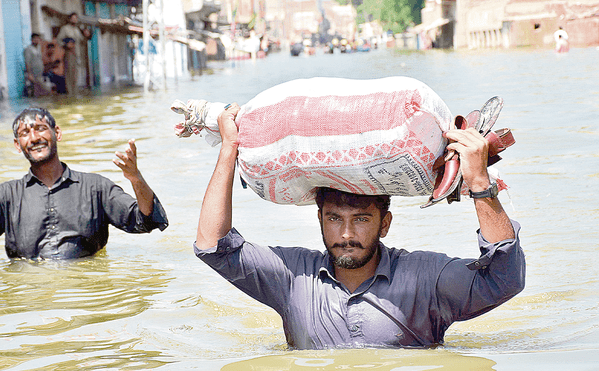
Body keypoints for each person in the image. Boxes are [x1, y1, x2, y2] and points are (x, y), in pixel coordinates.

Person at [193, 103, 526, 349]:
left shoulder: (425, 279)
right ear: (319, 219)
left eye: (362, 219)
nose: (346, 234)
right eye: (334, 219)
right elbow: (212, 245)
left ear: (385, 224)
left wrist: (480, 183)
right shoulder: (291, 278)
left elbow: (504, 279)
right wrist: (228, 149)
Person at [0, 108, 168, 261]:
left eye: (41, 129)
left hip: (86, 292)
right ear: (17, 145)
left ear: (57, 133)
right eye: (24, 134)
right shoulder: (6, 195)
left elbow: (145, 219)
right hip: (28, 297)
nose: (34, 138)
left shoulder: (95, 188)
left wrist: (135, 178)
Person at [56, 13, 92, 91]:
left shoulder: (77, 30)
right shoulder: (65, 28)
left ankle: (74, 92)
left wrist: (87, 35)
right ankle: (70, 93)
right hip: (69, 53)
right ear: (69, 19)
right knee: (69, 74)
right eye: (73, 18)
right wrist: (66, 45)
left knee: (76, 74)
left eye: (76, 18)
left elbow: (82, 41)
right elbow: (58, 40)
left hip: (77, 54)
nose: (74, 20)